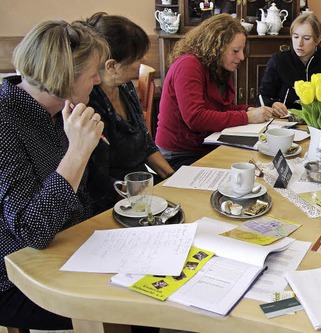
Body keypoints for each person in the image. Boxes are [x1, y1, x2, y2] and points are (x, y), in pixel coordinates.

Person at [0, 20, 109, 329]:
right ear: (64, 78)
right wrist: (77, 153)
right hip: (14, 274)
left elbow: (83, 196)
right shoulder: (5, 121)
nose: (98, 80)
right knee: (132, 308)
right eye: (92, 74)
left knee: (148, 285)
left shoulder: (59, 111)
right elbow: (30, 231)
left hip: (67, 245)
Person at [154, 14, 287, 170]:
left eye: (242, 50)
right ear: (216, 46)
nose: (242, 57)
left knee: (256, 166)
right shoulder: (188, 65)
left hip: (204, 146)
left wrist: (247, 109)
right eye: (236, 51)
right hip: (178, 153)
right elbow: (196, 118)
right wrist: (247, 117)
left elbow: (220, 109)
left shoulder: (216, 66)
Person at [84, 12, 175, 214]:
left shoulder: (125, 87)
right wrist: (143, 196)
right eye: (136, 58)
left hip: (140, 190)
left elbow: (146, 141)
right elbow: (96, 180)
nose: (142, 60)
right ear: (112, 66)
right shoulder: (88, 103)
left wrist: (172, 176)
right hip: (111, 202)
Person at [257, 12, 321, 114]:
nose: (299, 43)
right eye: (295, 37)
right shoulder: (278, 60)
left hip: (317, 123)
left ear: (318, 39)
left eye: (306, 38)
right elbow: (262, 96)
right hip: (284, 121)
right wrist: (273, 104)